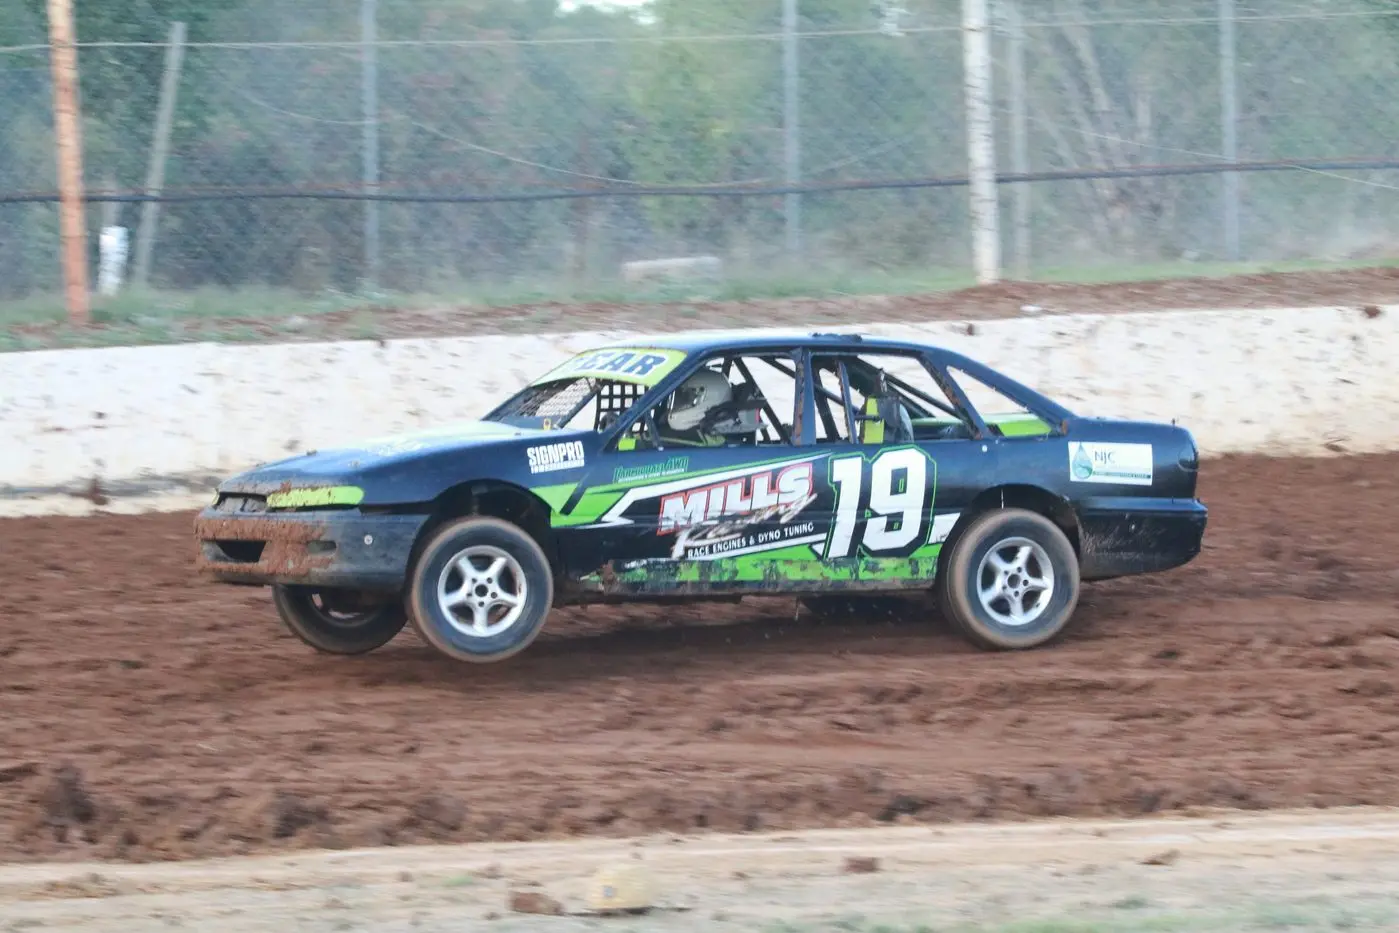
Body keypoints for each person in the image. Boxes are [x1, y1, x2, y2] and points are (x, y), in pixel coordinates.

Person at [655, 367, 764, 447]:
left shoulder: (702, 441)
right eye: (682, 397)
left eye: (687, 397)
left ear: (708, 400)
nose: (679, 403)